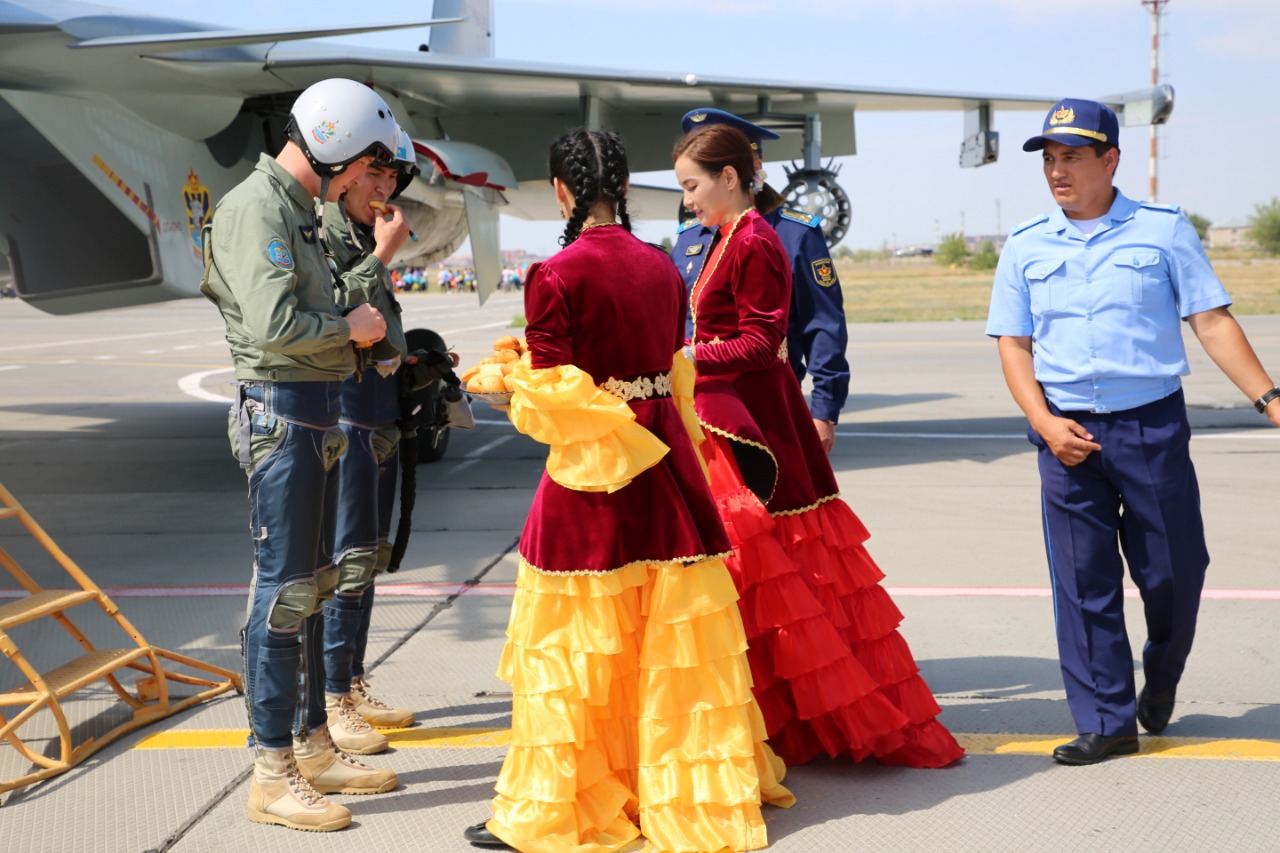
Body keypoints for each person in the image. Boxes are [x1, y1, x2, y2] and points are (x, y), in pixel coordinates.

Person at [464, 127, 793, 853]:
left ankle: (564, 804)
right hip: (669, 466)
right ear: (622, 185)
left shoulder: (554, 273)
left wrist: (505, 373)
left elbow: (557, 395)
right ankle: (674, 790)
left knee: (575, 652)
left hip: (592, 478)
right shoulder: (663, 267)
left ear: (561, 190)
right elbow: (667, 363)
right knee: (670, 644)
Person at [986, 98, 1280, 766]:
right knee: (1082, 581)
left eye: (1072, 158)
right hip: (1064, 435)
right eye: (1050, 160)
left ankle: (1164, 670)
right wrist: (1042, 421)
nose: (1057, 172)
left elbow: (1211, 320)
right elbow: (1013, 343)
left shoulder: (1163, 231)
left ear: (1110, 159)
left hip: (1150, 427)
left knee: (1174, 571)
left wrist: (1269, 396)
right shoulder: (1028, 244)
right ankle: (1107, 720)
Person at [674, 123, 964, 768]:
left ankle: (819, 712)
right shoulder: (719, 238)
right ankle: (777, 712)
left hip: (758, 421)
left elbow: (768, 340)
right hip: (727, 413)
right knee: (763, 575)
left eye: (692, 185)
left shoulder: (762, 241)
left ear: (729, 177)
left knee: (785, 574)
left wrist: (685, 358)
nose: (686, 200)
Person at [201, 78, 399, 832]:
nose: (362, 182)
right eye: (360, 165)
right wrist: (349, 328)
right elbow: (277, 320)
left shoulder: (296, 211)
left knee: (311, 586)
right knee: (284, 592)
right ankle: (271, 769)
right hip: (283, 413)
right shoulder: (258, 209)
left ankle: (310, 741)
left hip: (314, 415)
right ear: (335, 142)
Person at [322, 127, 421, 755]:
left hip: (379, 411)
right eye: (374, 175)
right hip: (346, 415)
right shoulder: (327, 234)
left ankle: (351, 681)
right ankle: (332, 698)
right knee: (345, 557)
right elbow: (332, 313)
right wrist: (381, 256)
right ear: (346, 174)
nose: (384, 189)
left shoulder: (361, 236)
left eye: (392, 178)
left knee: (370, 555)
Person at [671, 109, 850, 452]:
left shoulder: (789, 234)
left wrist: (824, 411)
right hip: (697, 409)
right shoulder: (690, 237)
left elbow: (822, 324)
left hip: (759, 409)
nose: (689, 199)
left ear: (741, 169)